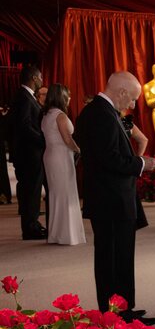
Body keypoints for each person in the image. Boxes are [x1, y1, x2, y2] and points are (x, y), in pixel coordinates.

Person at [74, 72, 155, 322]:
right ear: (122, 92)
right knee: (114, 258)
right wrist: (142, 163)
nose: (133, 105)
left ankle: (122, 309)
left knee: (117, 256)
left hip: (110, 197)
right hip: (110, 200)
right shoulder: (100, 114)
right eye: (133, 98)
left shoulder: (99, 111)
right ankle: (117, 314)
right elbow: (109, 158)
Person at [40, 84, 85, 246]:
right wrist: (80, 149)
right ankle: (67, 235)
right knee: (65, 194)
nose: (70, 98)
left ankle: (56, 234)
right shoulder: (59, 116)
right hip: (60, 156)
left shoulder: (46, 114)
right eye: (68, 95)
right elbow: (67, 140)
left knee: (56, 194)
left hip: (50, 155)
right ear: (61, 97)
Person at [11, 65, 47, 240]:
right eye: (40, 77)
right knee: (31, 191)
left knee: (31, 191)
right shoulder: (24, 97)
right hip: (29, 154)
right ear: (34, 78)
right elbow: (24, 126)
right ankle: (30, 228)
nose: (42, 80)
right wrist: (43, 140)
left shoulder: (25, 96)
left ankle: (32, 224)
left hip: (29, 153)